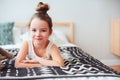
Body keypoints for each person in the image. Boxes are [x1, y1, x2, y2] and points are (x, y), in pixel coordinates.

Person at [15, 2, 64, 68]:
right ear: (29, 30)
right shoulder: (26, 44)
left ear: (50, 32)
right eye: (34, 30)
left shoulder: (52, 47)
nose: (38, 34)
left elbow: (60, 64)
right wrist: (40, 64)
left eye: (43, 30)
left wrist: (38, 60)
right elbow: (17, 64)